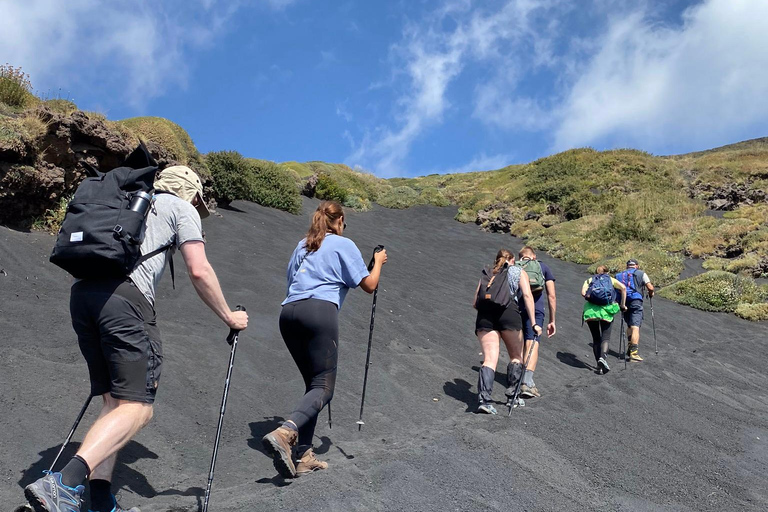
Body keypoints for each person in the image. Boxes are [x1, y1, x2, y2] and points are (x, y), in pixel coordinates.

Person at [24, 165, 249, 512]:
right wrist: (229, 316)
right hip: (124, 302)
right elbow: (199, 269)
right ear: (189, 192)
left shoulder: (125, 201)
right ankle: (64, 484)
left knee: (114, 403)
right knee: (138, 408)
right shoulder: (180, 208)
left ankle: (98, 500)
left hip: (83, 296)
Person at [261, 200, 387, 478]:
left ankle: (303, 454)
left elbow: (292, 280)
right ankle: (286, 432)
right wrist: (377, 262)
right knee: (324, 388)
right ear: (339, 220)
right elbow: (369, 285)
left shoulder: (302, 245)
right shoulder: (343, 244)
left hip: (289, 313)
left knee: (313, 384)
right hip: (319, 312)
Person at [472, 250, 541, 415]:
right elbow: (527, 295)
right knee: (516, 356)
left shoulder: (488, 273)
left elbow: (475, 302)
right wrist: (534, 323)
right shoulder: (517, 271)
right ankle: (513, 397)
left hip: (485, 316)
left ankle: (484, 400)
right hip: (508, 313)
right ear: (511, 260)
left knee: (489, 359)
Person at [515, 247, 556, 399]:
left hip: (515, 308)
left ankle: (516, 376)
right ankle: (526, 382)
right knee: (532, 342)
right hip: (536, 309)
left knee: (519, 342)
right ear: (534, 256)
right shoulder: (542, 267)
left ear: (521, 257)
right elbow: (551, 296)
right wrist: (552, 320)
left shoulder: (515, 267)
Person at [581, 265, 627, 374]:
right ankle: (603, 359)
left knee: (596, 338)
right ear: (607, 272)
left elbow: (583, 293)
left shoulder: (589, 280)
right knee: (605, 338)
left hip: (590, 311)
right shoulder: (610, 279)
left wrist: (593, 298)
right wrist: (623, 305)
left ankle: (599, 364)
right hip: (607, 312)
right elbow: (623, 288)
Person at [615, 259, 655, 362]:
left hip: (623, 302)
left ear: (627, 266)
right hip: (635, 300)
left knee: (629, 325)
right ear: (636, 266)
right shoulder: (641, 273)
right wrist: (650, 294)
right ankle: (633, 353)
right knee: (635, 327)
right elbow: (650, 287)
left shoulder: (618, 275)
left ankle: (629, 346)